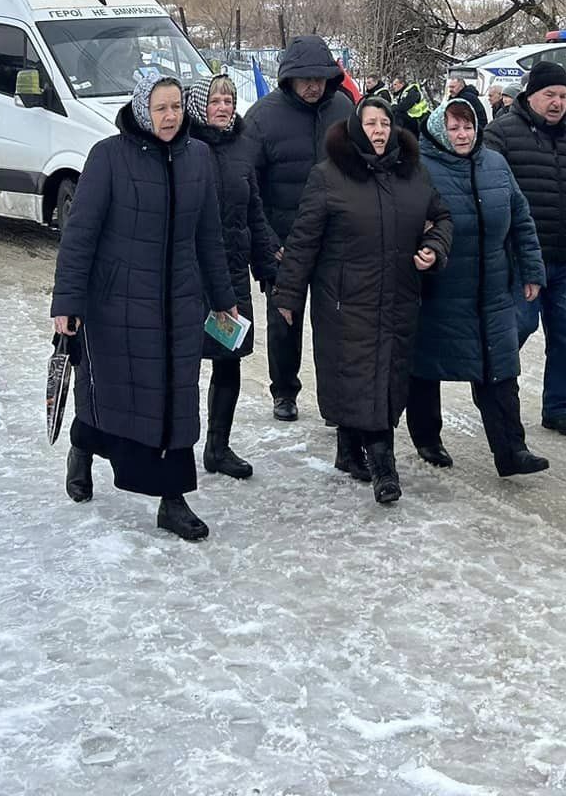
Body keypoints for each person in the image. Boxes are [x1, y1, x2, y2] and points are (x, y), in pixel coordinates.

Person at [51, 68, 238, 542]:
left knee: (175, 399)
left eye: (176, 106)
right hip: (116, 304)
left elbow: (208, 238)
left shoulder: (197, 157)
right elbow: (80, 238)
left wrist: (223, 301)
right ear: (141, 110)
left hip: (178, 303)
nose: (170, 117)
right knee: (114, 393)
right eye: (161, 108)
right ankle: (83, 447)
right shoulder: (108, 157)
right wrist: (67, 302)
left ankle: (172, 501)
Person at [271, 97, 451, 505]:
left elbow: (441, 218)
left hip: (400, 296)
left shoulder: (413, 173)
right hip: (345, 301)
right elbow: (304, 239)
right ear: (356, 128)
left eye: (385, 123)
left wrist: (434, 248)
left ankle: (348, 450)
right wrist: (288, 294)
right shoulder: (329, 176)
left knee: (386, 378)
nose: (379, 130)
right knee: (361, 378)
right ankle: (383, 466)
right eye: (370, 123)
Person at [410, 95, 550, 477]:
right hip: (441, 288)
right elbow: (404, 221)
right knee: (426, 365)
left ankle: (511, 451)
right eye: (454, 127)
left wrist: (532, 270)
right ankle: (427, 437)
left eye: (468, 126)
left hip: (492, 289)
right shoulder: (421, 169)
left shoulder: (496, 164)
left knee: (499, 368)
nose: (462, 134)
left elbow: (521, 220)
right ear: (440, 129)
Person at [485, 62, 566, 439]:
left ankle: (559, 407)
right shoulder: (502, 134)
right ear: (530, 95)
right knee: (517, 328)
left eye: (563, 96)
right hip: (522, 257)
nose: (558, 103)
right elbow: (489, 191)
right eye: (550, 95)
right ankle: (494, 395)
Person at [239, 34, 355, 423]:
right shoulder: (261, 117)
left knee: (334, 327)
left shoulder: (343, 107)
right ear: (288, 78)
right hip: (283, 243)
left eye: (320, 77)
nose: (312, 85)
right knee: (284, 322)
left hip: (335, 241)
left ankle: (334, 401)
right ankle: (284, 391)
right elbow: (247, 187)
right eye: (304, 78)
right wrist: (266, 245)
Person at [185, 75, 278, 480]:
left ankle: (217, 448)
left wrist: (270, 262)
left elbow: (254, 212)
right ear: (199, 106)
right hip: (189, 276)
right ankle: (173, 446)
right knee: (182, 364)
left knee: (228, 362)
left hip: (232, 275)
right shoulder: (185, 148)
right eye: (216, 100)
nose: (224, 107)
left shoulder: (243, 147)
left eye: (230, 99)